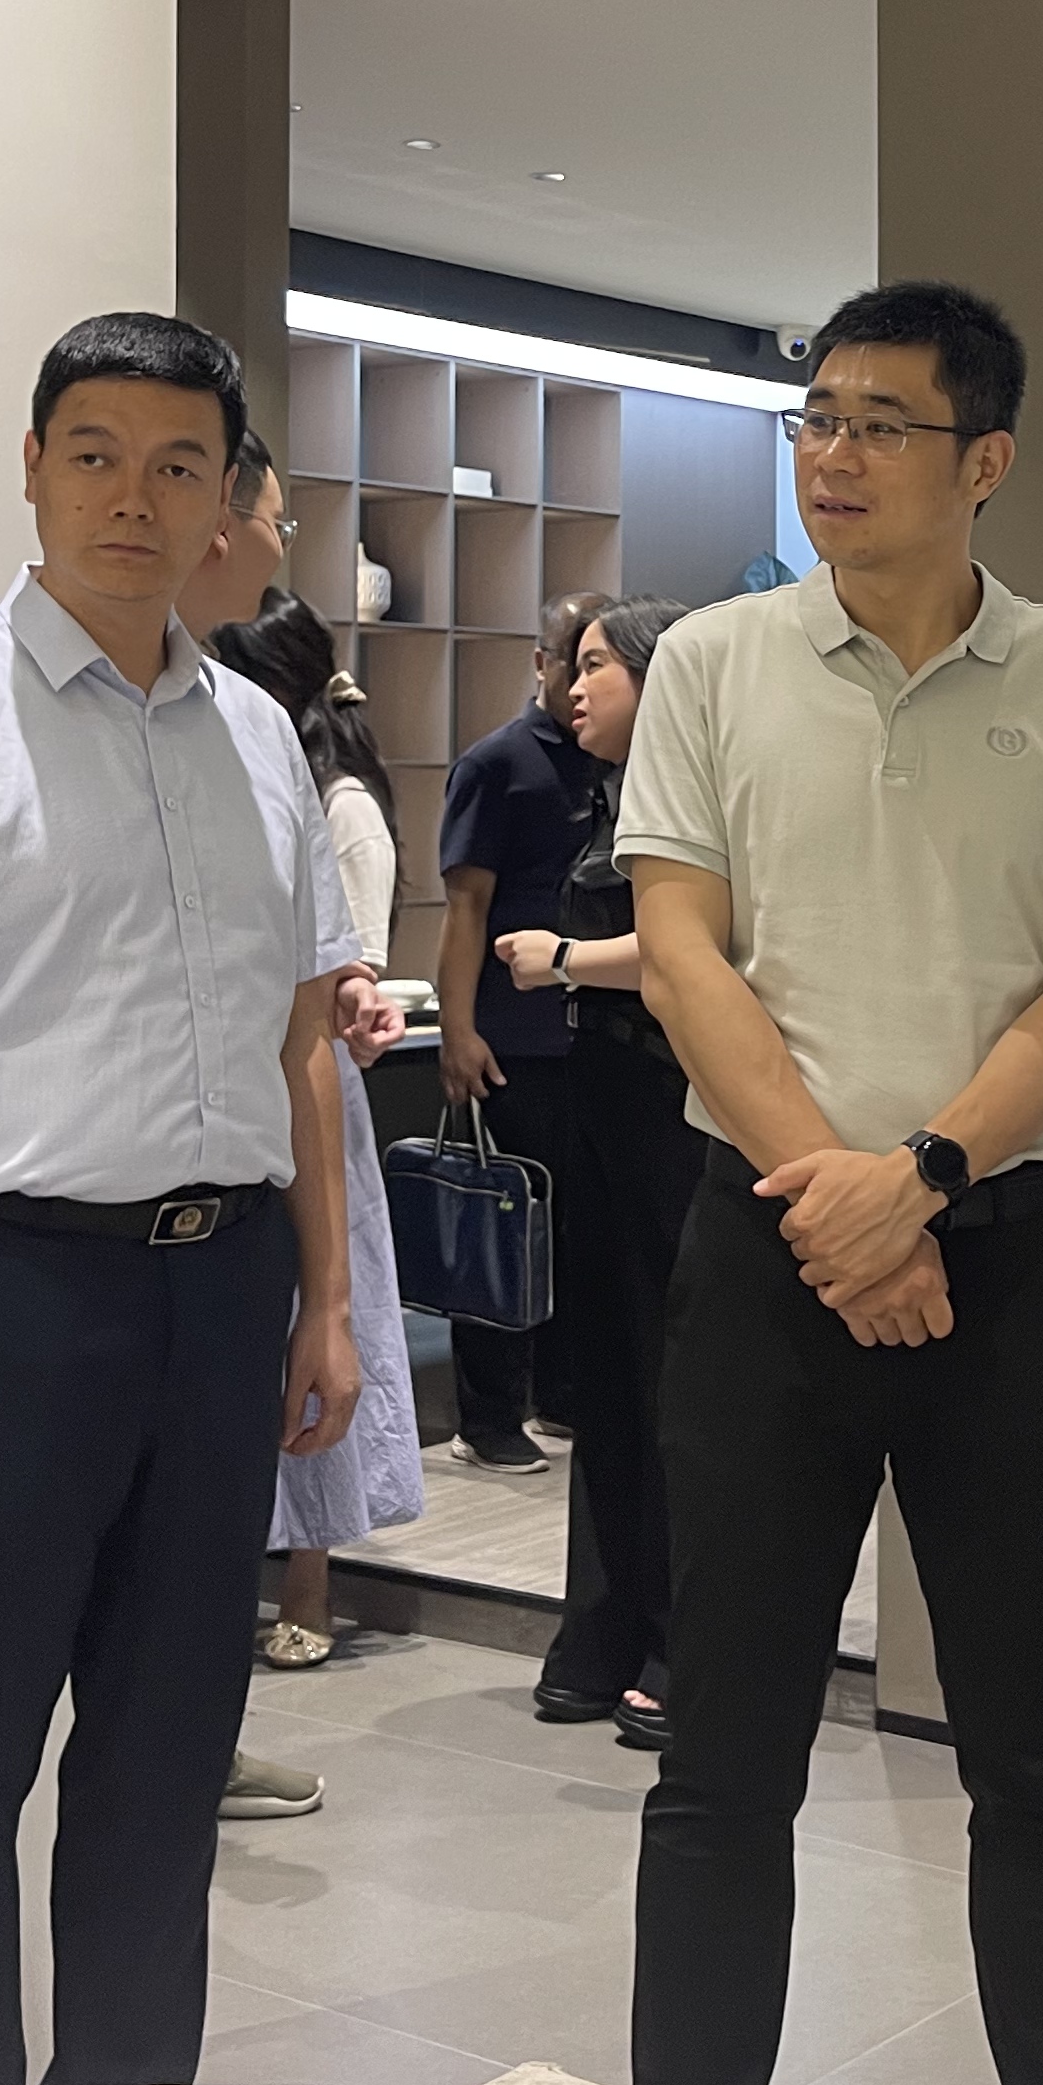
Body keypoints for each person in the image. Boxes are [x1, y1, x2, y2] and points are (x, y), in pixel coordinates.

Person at [612, 282, 1043, 2085]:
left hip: (1006, 1265)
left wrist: (923, 1179)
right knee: (724, 1755)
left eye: (880, 422)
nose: (833, 454)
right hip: (769, 1255)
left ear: (985, 460)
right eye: (816, 418)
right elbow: (681, 948)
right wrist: (838, 1209)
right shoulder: (712, 662)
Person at [0, 311, 362, 2085]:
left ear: (228, 497)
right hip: (7, 1293)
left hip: (222, 1287)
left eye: (179, 463)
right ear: (32, 467)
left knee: (162, 1760)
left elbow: (299, 1043)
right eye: (96, 453)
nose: (136, 496)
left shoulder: (259, 737)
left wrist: (325, 1297)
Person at [208, 575, 430, 1689]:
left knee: (322, 1317)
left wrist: (351, 996)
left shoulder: (339, 806)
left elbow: (351, 967)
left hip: (307, 1086)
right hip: (229, 1082)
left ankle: (311, 1576)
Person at [497, 597, 697, 1749]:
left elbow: (704, 949)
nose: (573, 689)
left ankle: (680, 1638)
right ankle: (605, 1626)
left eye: (594, 668)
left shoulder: (702, 795)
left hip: (677, 1105)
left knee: (675, 1375)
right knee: (606, 1374)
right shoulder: (607, 794)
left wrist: (568, 957)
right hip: (605, 1095)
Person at [434, 587, 613, 1471]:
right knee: (501, 1228)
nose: (579, 681)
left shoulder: (616, 759)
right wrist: (458, 1030)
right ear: (540, 663)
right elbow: (464, 908)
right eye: (569, 660)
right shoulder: (496, 763)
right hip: (513, 1040)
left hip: (596, 1038)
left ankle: (566, 1397)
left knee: (584, 1230)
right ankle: (488, 1417)